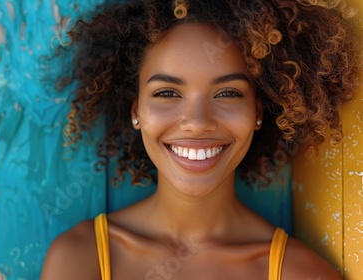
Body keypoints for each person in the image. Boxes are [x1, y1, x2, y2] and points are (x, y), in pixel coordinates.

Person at [41, 0, 362, 279]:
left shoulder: (302, 274)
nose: (197, 123)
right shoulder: (80, 258)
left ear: (257, 112)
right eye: (167, 93)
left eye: (228, 93)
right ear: (136, 110)